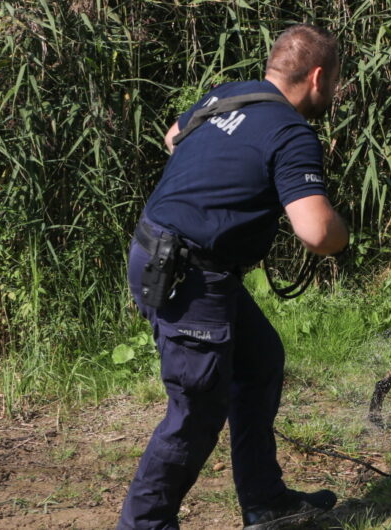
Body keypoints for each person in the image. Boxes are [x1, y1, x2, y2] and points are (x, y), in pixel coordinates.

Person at [118, 24, 349, 529]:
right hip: (189, 274)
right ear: (316, 77)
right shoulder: (291, 132)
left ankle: (266, 503)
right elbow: (314, 232)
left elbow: (174, 136)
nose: (332, 92)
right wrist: (342, 235)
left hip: (159, 252)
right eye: (333, 82)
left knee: (259, 359)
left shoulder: (228, 94)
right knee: (196, 412)